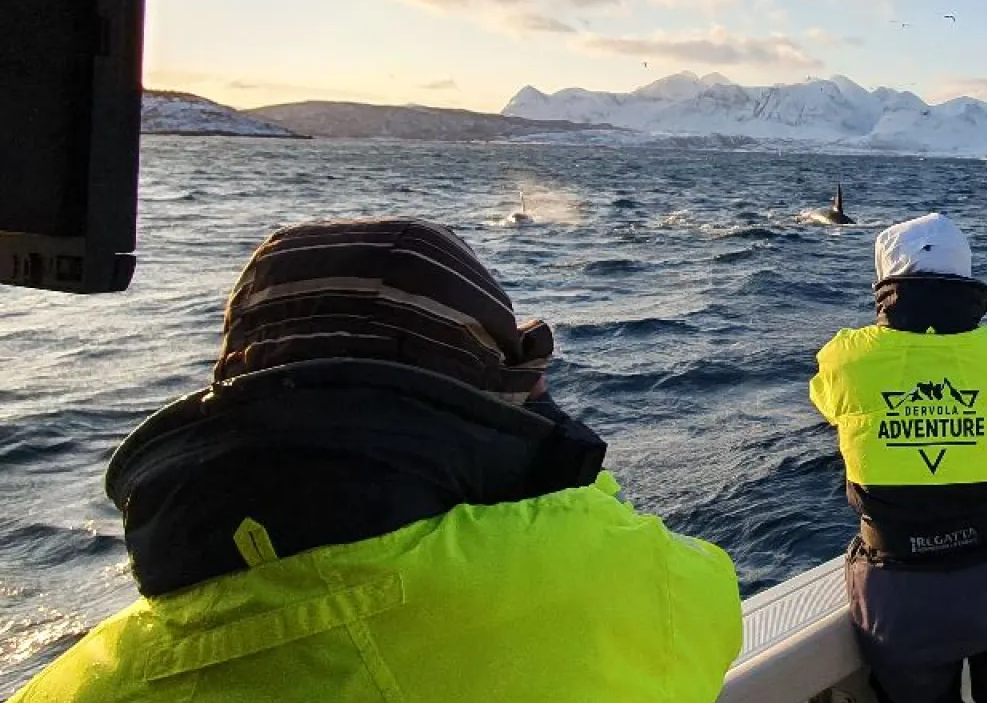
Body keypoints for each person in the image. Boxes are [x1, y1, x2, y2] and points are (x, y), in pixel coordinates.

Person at [9, 218, 742, 703]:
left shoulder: (69, 688)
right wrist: (551, 463)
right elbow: (707, 591)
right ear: (500, 393)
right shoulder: (622, 579)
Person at [810, 212, 987, 703]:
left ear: (885, 286)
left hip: (899, 585)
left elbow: (828, 406)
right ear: (967, 280)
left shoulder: (844, 356)